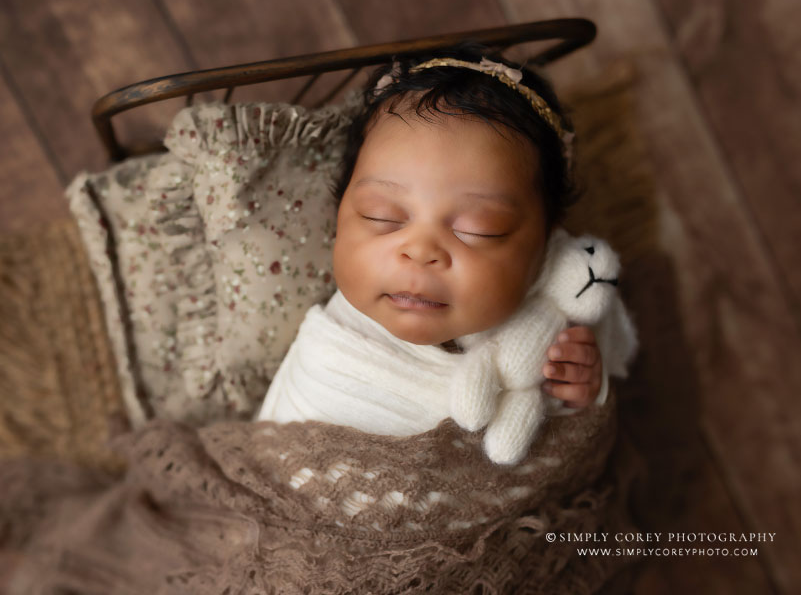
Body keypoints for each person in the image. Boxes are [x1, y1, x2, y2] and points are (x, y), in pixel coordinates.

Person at [257, 42, 610, 439]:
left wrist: (582, 391)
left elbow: (561, 448)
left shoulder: (547, 331)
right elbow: (268, 454)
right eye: (382, 216)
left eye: (478, 229)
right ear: (339, 217)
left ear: (545, 247)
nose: (421, 251)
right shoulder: (331, 350)